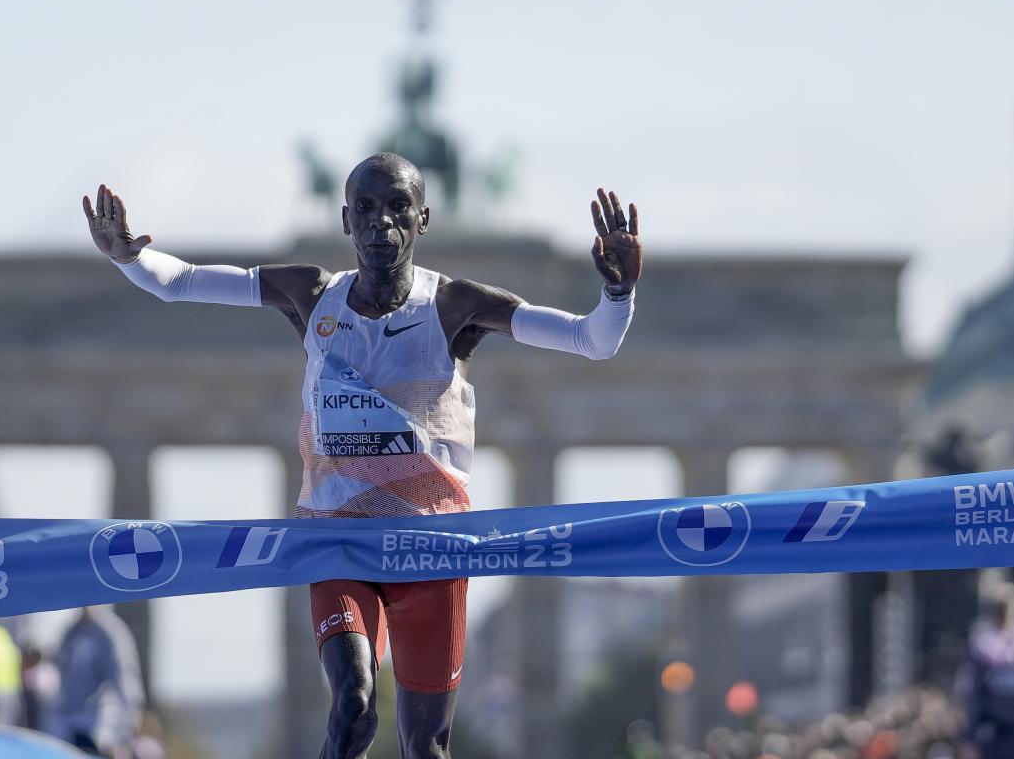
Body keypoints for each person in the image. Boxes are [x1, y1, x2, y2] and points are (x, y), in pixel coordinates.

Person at [85, 152, 642, 759]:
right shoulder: (310, 293)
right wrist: (129, 257)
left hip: (431, 547)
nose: (383, 223)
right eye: (367, 209)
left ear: (423, 219)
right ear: (346, 219)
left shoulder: (456, 306)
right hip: (337, 541)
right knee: (352, 707)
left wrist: (617, 291)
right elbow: (183, 282)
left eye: (399, 208)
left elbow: (594, 341)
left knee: (423, 747)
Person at [49, 605, 145, 758]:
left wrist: (123, 736)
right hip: (68, 733)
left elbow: (126, 687)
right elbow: (61, 685)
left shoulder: (112, 633)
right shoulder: (70, 633)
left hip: (100, 735)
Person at [960, 582, 1014, 759]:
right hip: (1007, 729)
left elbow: (972, 693)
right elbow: (974, 692)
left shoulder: (981, 643)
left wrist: (969, 734)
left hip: (1006, 729)